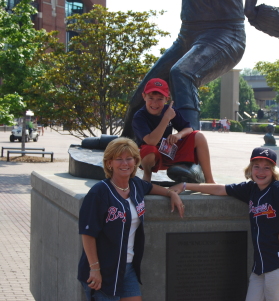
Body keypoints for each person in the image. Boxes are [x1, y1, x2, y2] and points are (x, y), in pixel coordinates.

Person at [169, 147, 279, 301]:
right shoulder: (251, 189)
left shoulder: (277, 188)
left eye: (266, 168)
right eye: (257, 167)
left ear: (274, 171)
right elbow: (221, 189)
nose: (261, 171)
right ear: (250, 169)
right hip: (261, 267)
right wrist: (184, 186)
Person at [121, 0, 255, 136]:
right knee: (138, 101)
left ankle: (189, 148)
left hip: (225, 32)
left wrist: (250, 9)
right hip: (187, 34)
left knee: (182, 73)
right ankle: (124, 145)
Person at [77, 137, 185, 301]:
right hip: (104, 269)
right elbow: (88, 234)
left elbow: (152, 187)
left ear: (135, 161)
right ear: (109, 163)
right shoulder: (98, 192)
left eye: (129, 159)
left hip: (128, 268)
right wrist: (94, 268)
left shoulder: (135, 185)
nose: (124, 163)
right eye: (118, 159)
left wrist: (171, 193)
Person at [132, 78, 215, 183]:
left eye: (160, 99)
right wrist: (166, 118)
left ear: (167, 99)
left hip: (169, 150)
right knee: (149, 151)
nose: (155, 103)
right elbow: (151, 141)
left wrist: (178, 135)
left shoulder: (170, 110)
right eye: (151, 98)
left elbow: (189, 128)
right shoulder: (139, 116)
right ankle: (147, 176)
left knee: (199, 136)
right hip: (151, 156)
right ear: (144, 96)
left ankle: (209, 179)